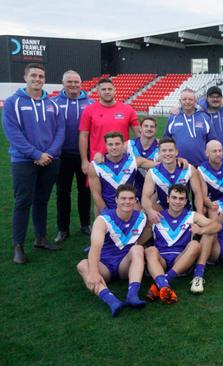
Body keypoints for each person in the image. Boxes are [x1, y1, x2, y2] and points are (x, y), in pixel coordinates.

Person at [2, 63, 65, 263]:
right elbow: (12, 134)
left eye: (41, 76)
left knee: (42, 200)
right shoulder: (13, 102)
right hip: (23, 161)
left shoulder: (52, 103)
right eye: (34, 76)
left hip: (50, 159)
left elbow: (60, 131)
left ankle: (40, 238)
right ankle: (18, 245)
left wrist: (50, 153)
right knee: (22, 202)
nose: (38, 79)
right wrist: (35, 154)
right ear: (25, 77)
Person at [76, 184, 148, 317]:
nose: (127, 202)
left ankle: (132, 295)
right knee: (82, 265)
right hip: (105, 267)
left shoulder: (142, 218)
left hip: (124, 266)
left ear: (135, 201)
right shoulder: (103, 219)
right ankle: (112, 301)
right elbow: (95, 247)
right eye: (123, 198)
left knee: (138, 249)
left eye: (131, 198)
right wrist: (93, 272)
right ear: (116, 200)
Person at [146, 184, 221, 302]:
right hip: (161, 261)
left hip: (182, 260)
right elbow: (140, 240)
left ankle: (160, 283)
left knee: (195, 244)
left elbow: (217, 226)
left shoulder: (191, 216)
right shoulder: (157, 216)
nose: (177, 201)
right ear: (167, 199)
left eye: (181, 199)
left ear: (186, 201)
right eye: (174, 197)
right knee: (149, 250)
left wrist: (201, 230)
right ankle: (165, 286)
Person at [53, 70, 93, 244]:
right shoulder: (53, 103)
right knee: (63, 192)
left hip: (85, 155)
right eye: (69, 82)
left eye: (76, 81)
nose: (73, 85)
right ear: (63, 83)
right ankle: (63, 229)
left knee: (85, 191)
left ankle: (85, 224)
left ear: (81, 83)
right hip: (62, 155)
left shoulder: (91, 103)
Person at [79, 78, 140, 175]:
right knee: (98, 190)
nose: (107, 92)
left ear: (115, 90)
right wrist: (84, 160)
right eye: (103, 89)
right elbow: (83, 136)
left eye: (109, 89)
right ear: (98, 92)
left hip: (123, 160)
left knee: (125, 189)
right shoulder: (89, 110)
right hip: (98, 159)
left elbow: (139, 134)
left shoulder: (128, 109)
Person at [87, 132, 154, 217]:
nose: (114, 147)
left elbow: (160, 166)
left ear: (123, 145)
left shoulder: (134, 161)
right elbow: (96, 194)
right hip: (107, 209)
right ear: (106, 146)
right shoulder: (95, 166)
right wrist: (107, 214)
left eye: (117, 144)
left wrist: (175, 159)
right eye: (110, 144)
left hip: (130, 207)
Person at [141, 137, 204, 221]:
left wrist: (199, 215)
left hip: (185, 211)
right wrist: (150, 211)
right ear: (159, 153)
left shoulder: (189, 169)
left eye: (170, 150)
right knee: (144, 213)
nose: (167, 153)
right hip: (162, 210)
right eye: (164, 151)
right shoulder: (152, 173)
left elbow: (198, 194)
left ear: (176, 152)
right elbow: (145, 197)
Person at [164, 88, 217, 167]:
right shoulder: (173, 118)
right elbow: (166, 140)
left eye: (190, 99)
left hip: (201, 164)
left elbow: (212, 141)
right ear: (180, 101)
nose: (187, 102)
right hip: (178, 164)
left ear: (195, 101)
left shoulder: (205, 117)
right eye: (184, 99)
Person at [127, 116, 159, 199]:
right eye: (146, 126)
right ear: (140, 129)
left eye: (152, 127)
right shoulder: (128, 145)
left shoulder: (161, 147)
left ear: (155, 130)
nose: (149, 129)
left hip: (154, 193)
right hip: (132, 192)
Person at [200, 86, 223, 156]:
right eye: (212, 97)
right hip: (209, 160)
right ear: (207, 98)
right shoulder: (202, 115)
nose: (215, 99)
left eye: (218, 97)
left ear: (222, 98)